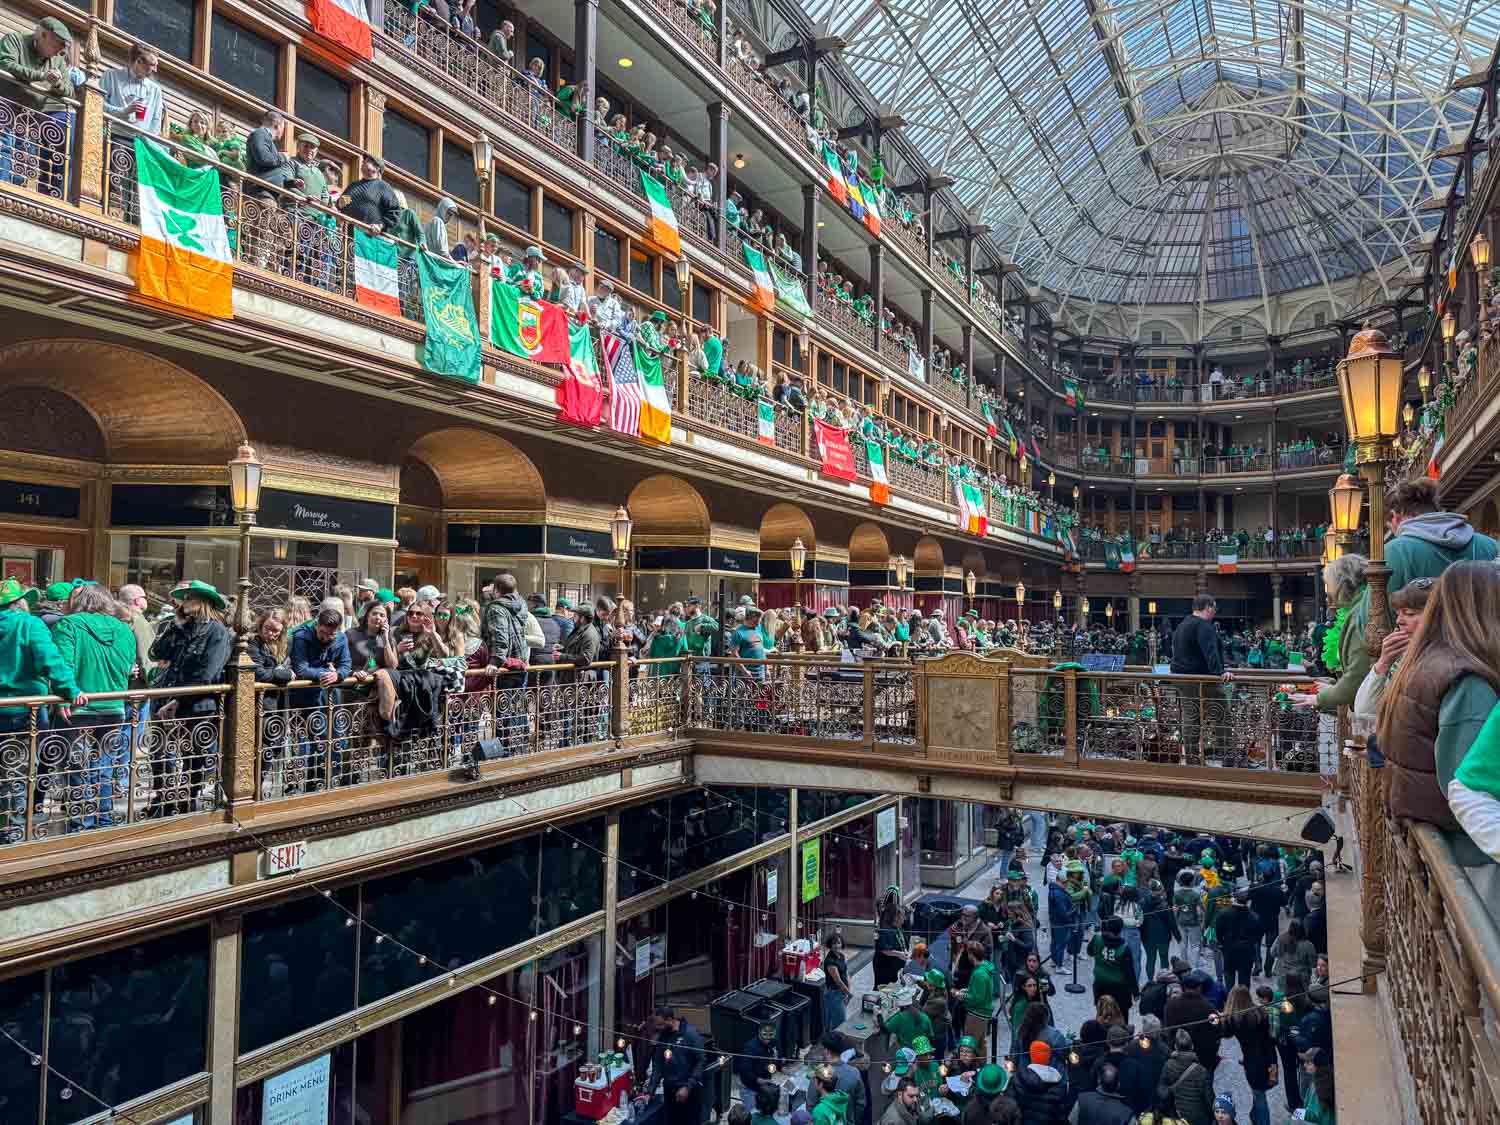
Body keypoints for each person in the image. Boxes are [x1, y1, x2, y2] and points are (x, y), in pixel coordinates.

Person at [1378, 561, 1500, 904]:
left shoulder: (1426, 661)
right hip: (1471, 857)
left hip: (1441, 844)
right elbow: (1465, 780)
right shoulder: (1467, 679)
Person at [50, 583, 137, 831]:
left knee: (77, 768)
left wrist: (66, 693)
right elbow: (128, 666)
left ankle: (80, 825)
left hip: (78, 707)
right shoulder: (123, 629)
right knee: (104, 767)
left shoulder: (69, 624)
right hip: (114, 706)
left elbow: (62, 665)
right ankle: (103, 820)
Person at [148, 581, 234, 816]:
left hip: (196, 705)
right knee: (160, 754)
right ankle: (163, 800)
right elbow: (157, 653)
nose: (183, 602)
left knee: (193, 758)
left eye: (189, 598)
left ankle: (188, 802)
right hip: (166, 698)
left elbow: (208, 675)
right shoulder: (182, 626)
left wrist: (178, 700)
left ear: (202, 601)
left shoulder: (217, 631)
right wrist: (175, 626)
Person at [0, 17, 76, 192]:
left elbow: (69, 91)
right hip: (6, 107)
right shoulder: (15, 40)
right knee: (3, 147)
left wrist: (56, 84)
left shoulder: (57, 60)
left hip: (31, 117)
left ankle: (14, 194)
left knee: (24, 157)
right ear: (42, 35)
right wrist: (41, 76)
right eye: (56, 46)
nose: (57, 52)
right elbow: (5, 64)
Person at [1219, 985, 1275, 1125]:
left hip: (1253, 1063)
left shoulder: (1235, 1019)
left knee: (1260, 1098)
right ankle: (1255, 1118)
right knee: (1258, 1094)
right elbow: (1268, 1039)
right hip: (1267, 1057)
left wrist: (1219, 1020)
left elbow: (1225, 1033)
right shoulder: (1260, 1012)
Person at [649, 1007, 705, 1125]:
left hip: (689, 1092)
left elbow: (700, 1062)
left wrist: (688, 1087)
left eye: (660, 1024)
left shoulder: (690, 1034)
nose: (658, 1028)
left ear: (670, 1020)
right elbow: (658, 1064)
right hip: (670, 1090)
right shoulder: (663, 1036)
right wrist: (650, 1090)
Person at [101, 44, 163, 136]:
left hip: (140, 141)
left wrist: (146, 141)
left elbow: (156, 122)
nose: (155, 70)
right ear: (139, 61)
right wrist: (123, 111)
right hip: (111, 134)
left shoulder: (155, 90)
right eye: (152, 65)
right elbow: (98, 104)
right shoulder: (111, 76)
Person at [1163, 973, 1218, 1075]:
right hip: (1203, 1057)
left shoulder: (1171, 1004)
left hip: (1177, 1055)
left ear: (1183, 988)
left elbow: (1167, 1028)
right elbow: (1218, 1028)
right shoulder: (1208, 1007)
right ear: (1199, 988)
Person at [1087, 916, 1138, 1018]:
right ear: (1120, 929)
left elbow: (1090, 952)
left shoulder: (1097, 938)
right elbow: (1129, 973)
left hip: (1100, 983)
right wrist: (1135, 992)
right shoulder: (1124, 948)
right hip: (1119, 987)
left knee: (1101, 1013)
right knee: (1122, 1015)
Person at [1159, 1030, 1213, 1125]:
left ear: (1175, 1047)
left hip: (1179, 1116)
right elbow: (1209, 1099)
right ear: (1192, 1046)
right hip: (1199, 1117)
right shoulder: (1201, 1071)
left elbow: (1161, 1090)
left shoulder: (1168, 1066)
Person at [337, 154, 403, 231]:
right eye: (363, 161)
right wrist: (339, 204)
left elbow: (395, 212)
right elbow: (338, 206)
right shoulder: (353, 185)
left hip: (367, 235)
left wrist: (380, 226)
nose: (363, 162)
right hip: (344, 233)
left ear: (377, 168)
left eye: (367, 161)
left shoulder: (383, 187)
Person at [1013, 1041, 1067, 1124]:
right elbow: (1060, 1113)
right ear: (1048, 1058)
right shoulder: (1058, 1081)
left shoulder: (1020, 1077)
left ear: (1031, 1055)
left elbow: (1011, 1107)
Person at [734, 1022, 780, 1109]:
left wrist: (775, 1062)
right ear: (759, 1031)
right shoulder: (750, 1048)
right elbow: (744, 1071)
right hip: (749, 1088)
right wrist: (760, 1080)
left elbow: (771, 1068)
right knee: (753, 1113)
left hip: (764, 1087)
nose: (767, 1038)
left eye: (771, 1034)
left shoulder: (773, 1043)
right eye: (765, 1034)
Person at [822, 931, 854, 1032]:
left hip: (842, 992)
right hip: (834, 994)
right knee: (840, 1023)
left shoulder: (841, 956)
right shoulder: (830, 961)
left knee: (836, 1020)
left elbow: (846, 974)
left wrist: (848, 991)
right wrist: (849, 994)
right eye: (834, 943)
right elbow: (838, 981)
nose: (837, 946)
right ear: (830, 945)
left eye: (838, 943)